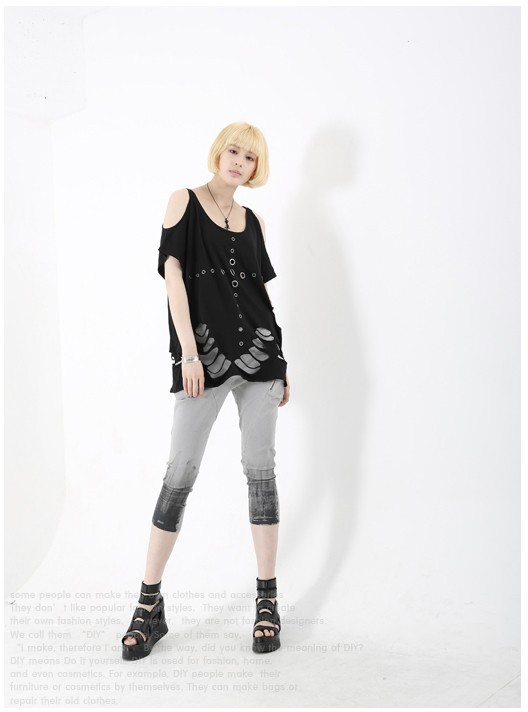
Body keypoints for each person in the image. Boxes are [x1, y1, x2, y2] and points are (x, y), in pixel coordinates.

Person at [121, 122, 290, 661]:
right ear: (219, 152)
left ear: (256, 167)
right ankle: (149, 604)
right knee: (180, 473)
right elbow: (173, 277)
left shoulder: (254, 221)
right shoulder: (184, 202)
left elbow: (258, 294)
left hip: (261, 358)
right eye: (233, 150)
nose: (239, 161)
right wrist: (189, 354)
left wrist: (280, 361)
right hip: (204, 360)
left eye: (249, 157)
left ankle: (267, 601)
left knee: (260, 471)